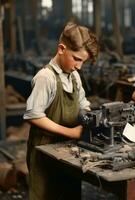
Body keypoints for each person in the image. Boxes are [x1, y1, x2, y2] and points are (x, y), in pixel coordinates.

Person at [24, 22, 99, 200]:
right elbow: (33, 115)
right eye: (77, 59)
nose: (79, 66)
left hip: (68, 151)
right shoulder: (45, 78)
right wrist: (70, 132)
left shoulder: (74, 77)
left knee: (69, 193)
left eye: (83, 61)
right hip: (44, 151)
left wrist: (89, 117)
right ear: (61, 49)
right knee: (45, 195)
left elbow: (83, 104)